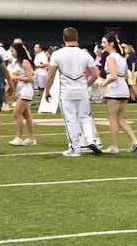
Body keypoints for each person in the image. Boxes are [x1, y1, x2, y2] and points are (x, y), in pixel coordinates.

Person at [43, 28, 104, 157]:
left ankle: (75, 148)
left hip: (66, 92)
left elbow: (50, 75)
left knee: (70, 120)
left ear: (64, 39)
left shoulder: (57, 54)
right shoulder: (85, 54)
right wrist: (85, 85)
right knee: (85, 118)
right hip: (82, 91)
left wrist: (47, 91)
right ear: (77, 38)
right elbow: (93, 75)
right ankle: (91, 139)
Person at [97, 35, 137, 154]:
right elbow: (126, 75)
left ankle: (114, 146)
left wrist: (103, 83)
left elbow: (113, 75)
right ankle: (135, 140)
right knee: (120, 119)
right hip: (124, 89)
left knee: (112, 119)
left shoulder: (111, 57)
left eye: (104, 42)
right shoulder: (122, 58)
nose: (102, 44)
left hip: (114, 90)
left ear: (111, 44)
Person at [7, 43, 37, 146]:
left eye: (12, 51)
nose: (11, 53)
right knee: (27, 115)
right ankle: (31, 138)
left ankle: (19, 137)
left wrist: (16, 77)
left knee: (16, 113)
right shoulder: (17, 63)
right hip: (20, 90)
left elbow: (31, 78)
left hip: (26, 90)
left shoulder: (25, 62)